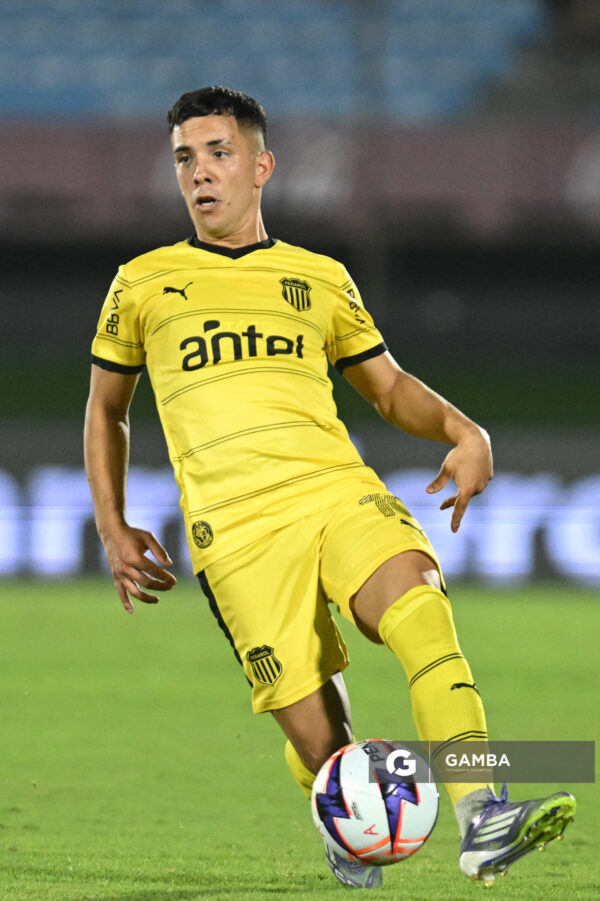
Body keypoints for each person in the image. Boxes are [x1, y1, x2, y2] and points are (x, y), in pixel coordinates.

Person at [84, 86, 575, 889]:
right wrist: (113, 522)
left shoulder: (318, 278)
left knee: (422, 611)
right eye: (184, 158)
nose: (200, 173)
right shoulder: (143, 283)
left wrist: (465, 430)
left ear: (261, 165)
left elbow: (387, 388)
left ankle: (483, 813)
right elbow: (107, 409)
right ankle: (343, 812)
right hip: (235, 537)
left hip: (333, 490)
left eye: (218, 152)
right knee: (328, 749)